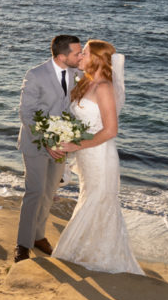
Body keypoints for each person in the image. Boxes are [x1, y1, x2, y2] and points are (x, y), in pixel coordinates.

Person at [52, 40, 144, 275]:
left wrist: (76, 144)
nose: (80, 56)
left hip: (101, 156)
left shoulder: (104, 87)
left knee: (98, 201)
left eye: (85, 53)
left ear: (98, 59)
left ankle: (97, 255)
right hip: (86, 154)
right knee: (88, 198)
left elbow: (111, 130)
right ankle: (87, 251)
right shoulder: (87, 83)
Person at [14, 35, 82, 263]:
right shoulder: (35, 75)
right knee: (34, 192)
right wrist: (47, 141)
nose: (80, 56)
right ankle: (22, 244)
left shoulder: (76, 73)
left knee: (49, 192)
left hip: (62, 143)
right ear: (62, 57)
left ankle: (38, 236)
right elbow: (26, 113)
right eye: (77, 53)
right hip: (36, 142)